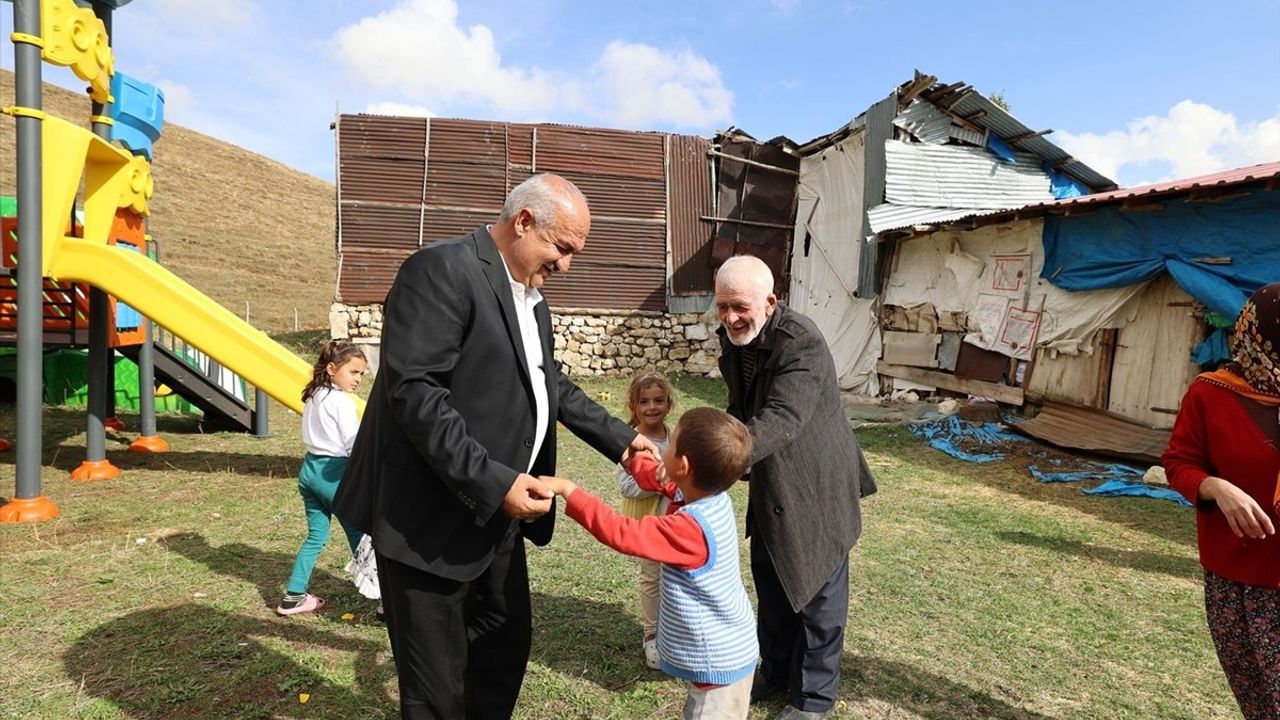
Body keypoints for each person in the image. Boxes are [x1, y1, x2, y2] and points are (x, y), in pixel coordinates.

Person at [333, 173, 656, 719]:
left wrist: (622, 442)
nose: (567, 266)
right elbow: (416, 394)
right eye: (562, 248)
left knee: (503, 650)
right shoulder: (439, 271)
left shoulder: (532, 298)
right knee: (435, 692)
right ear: (523, 222)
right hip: (427, 521)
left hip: (499, 517)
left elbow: (549, 381)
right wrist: (494, 482)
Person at [712, 254, 877, 720]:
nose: (730, 317)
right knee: (773, 580)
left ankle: (813, 699)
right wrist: (724, 438)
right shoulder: (734, 340)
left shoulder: (799, 342)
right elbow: (741, 406)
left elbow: (784, 416)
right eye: (722, 306)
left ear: (770, 301)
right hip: (771, 477)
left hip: (816, 481)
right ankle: (778, 671)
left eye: (740, 306)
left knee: (818, 589)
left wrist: (719, 460)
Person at [542, 406, 758, 720]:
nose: (663, 448)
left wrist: (569, 491)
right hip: (729, 649)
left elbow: (622, 532)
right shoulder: (708, 495)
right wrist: (629, 455)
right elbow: (655, 477)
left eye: (670, 445)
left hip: (719, 664)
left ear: (683, 466)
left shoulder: (690, 529)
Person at [1163, 282, 1280, 720]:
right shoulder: (1212, 394)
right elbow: (1179, 462)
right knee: (1257, 700)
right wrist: (1215, 487)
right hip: (1235, 577)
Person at [278, 340, 368, 616]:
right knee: (364, 537)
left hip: (310, 471)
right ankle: (386, 602)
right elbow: (355, 445)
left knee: (316, 536)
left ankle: (293, 596)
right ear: (331, 368)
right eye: (353, 373)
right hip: (334, 475)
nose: (358, 380)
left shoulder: (315, 394)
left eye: (362, 374)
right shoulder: (341, 401)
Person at [616, 371, 677, 669]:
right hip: (648, 524)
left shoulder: (675, 437)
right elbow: (626, 485)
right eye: (644, 402)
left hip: (675, 525)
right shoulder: (629, 442)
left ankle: (674, 632)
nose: (652, 407)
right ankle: (651, 635)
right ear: (634, 406)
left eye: (659, 400)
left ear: (668, 404)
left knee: (675, 578)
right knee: (652, 578)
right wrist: (656, 481)